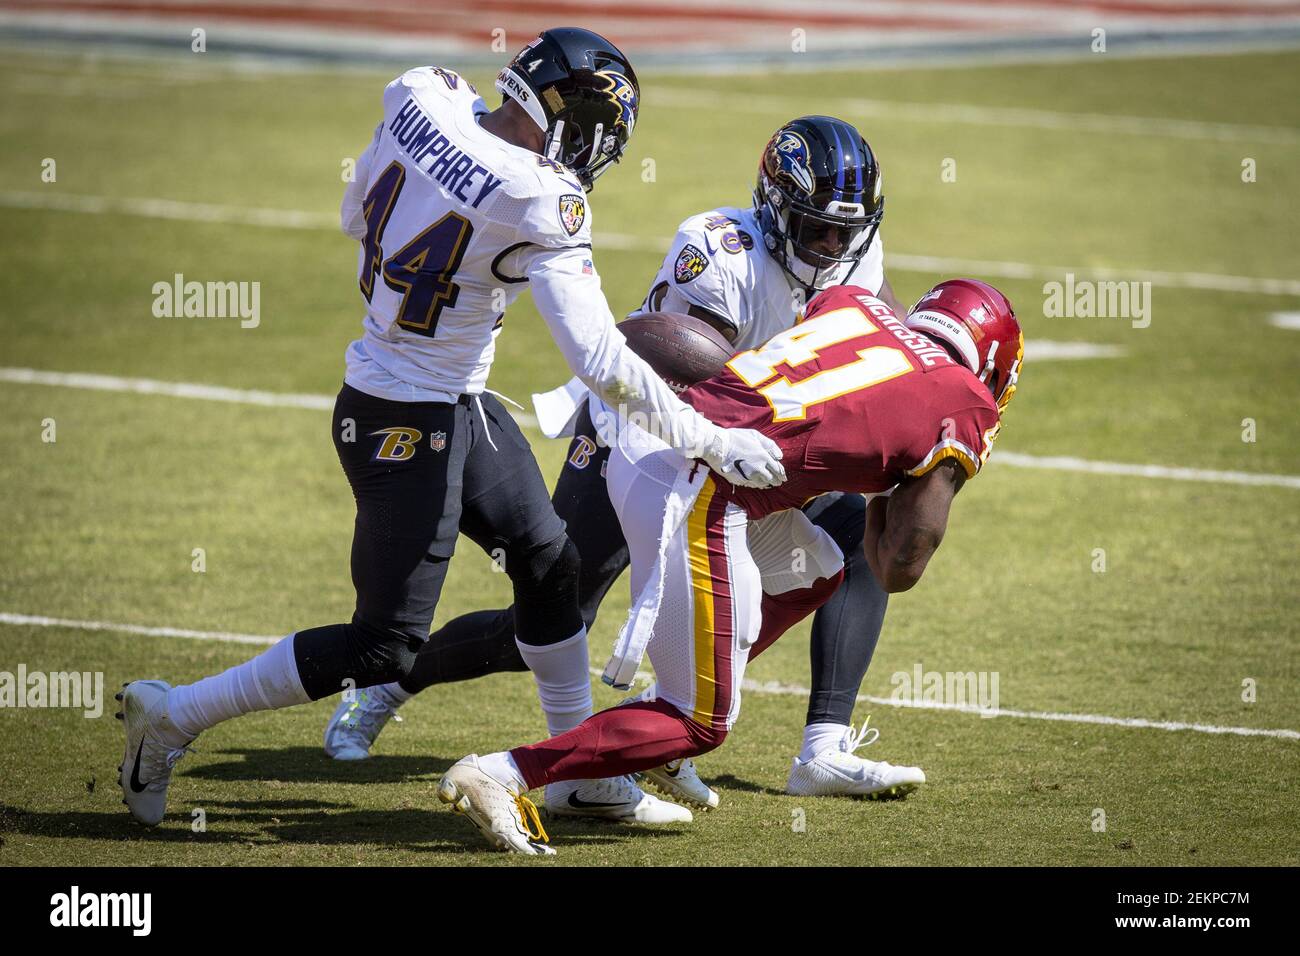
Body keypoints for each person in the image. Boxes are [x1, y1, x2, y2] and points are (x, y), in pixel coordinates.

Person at [115, 27, 787, 828]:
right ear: (569, 116)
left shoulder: (422, 94)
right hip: (399, 417)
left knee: (550, 563)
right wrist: (711, 439)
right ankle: (174, 716)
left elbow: (351, 213)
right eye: (601, 133)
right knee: (381, 646)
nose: (600, 155)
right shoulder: (543, 195)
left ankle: (578, 771)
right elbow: (603, 356)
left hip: (449, 398)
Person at [325, 116, 927, 804]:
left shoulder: (859, 257)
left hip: (750, 445)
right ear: (772, 203)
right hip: (646, 436)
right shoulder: (720, 251)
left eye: (843, 232)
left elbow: (875, 337)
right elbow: (699, 386)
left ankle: (817, 746)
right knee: (556, 618)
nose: (831, 247)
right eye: (815, 227)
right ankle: (392, 683)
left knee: (857, 535)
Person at [436, 278, 1024, 854]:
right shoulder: (964, 402)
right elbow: (900, 565)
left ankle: (634, 741)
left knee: (815, 572)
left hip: (668, 448)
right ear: (993, 366)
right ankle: (504, 772)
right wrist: (889, 493)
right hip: (701, 485)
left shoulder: (854, 302)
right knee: (700, 724)